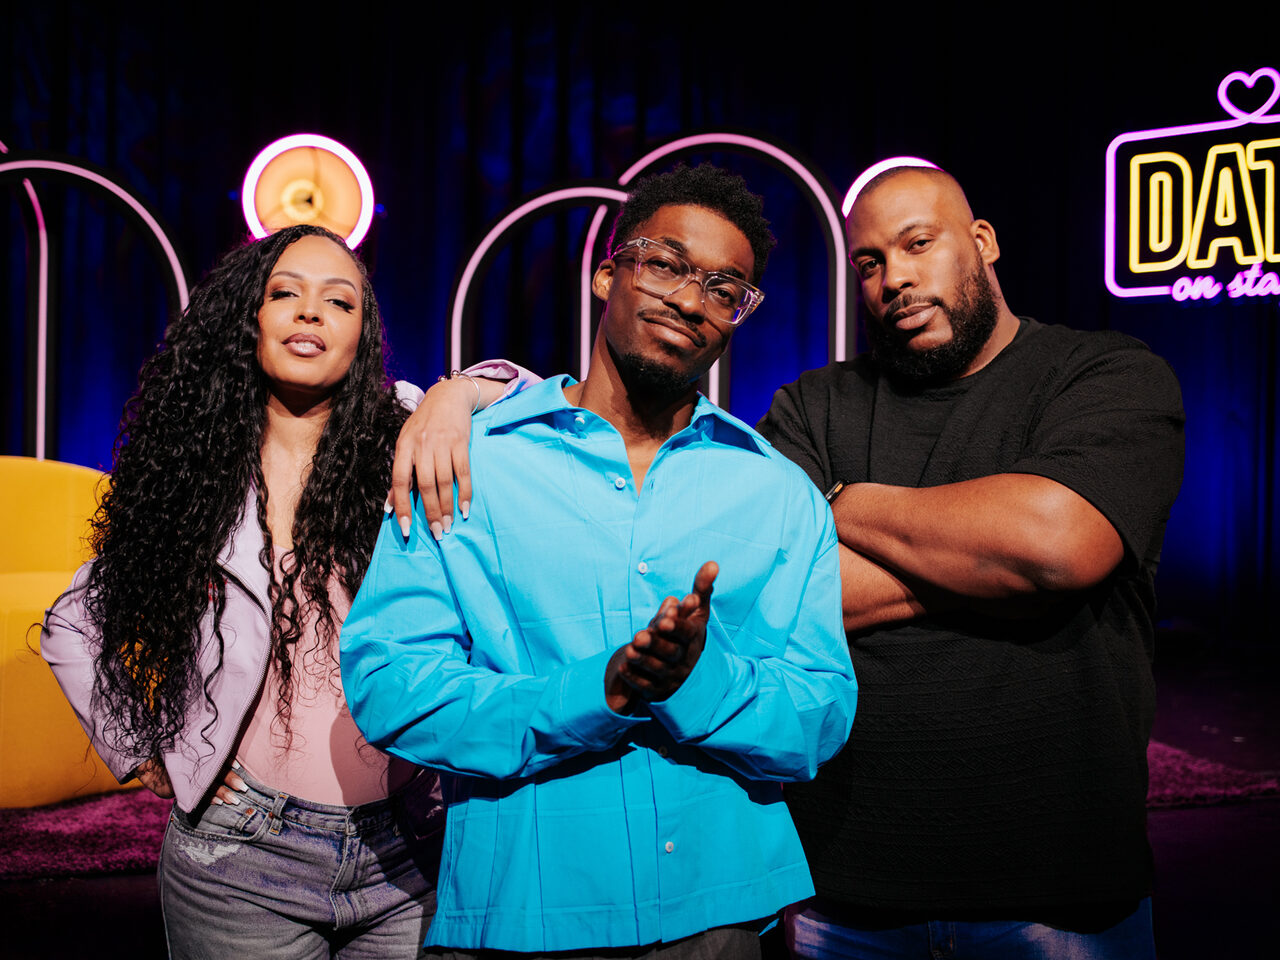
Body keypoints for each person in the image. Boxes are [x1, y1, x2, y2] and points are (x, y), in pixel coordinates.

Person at [340, 164, 859, 959]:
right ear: (607, 274)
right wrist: (598, 692)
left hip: (717, 918)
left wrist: (699, 681)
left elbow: (820, 714)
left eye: (724, 289)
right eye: (667, 264)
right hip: (524, 915)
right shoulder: (469, 461)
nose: (691, 301)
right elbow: (389, 685)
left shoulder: (778, 493)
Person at [40, 223, 523, 959]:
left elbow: (545, 402)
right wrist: (144, 751)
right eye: (285, 293)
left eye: (340, 301)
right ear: (250, 319)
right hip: (241, 860)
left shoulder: (409, 434)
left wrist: (457, 393)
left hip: (410, 849)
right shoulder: (195, 473)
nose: (310, 312)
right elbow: (72, 624)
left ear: (362, 335)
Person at [756, 163, 1185, 958]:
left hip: (1061, 898)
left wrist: (847, 503)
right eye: (870, 262)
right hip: (844, 897)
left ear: (982, 241)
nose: (895, 277)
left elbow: (1056, 545)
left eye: (918, 243)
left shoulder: (1105, 376)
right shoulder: (811, 408)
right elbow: (775, 592)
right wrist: (1004, 577)